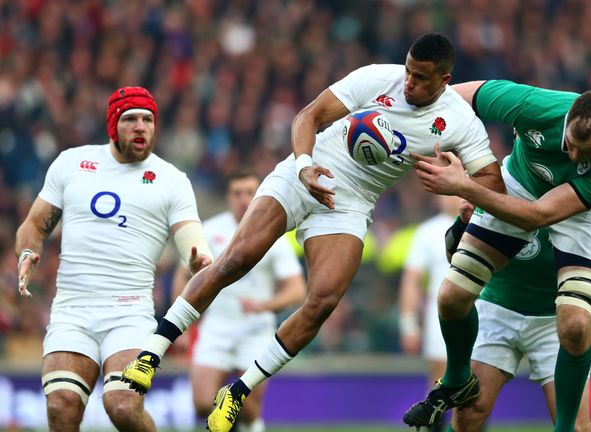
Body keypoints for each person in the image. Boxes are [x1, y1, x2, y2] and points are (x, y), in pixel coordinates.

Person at [121, 33, 505, 432]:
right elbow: (308, 116)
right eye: (408, 71)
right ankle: (151, 352)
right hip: (305, 171)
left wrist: (463, 186)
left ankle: (237, 392)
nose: (409, 83)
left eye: (421, 78)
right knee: (235, 259)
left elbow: (492, 181)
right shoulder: (378, 78)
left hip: (350, 201)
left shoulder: (459, 122)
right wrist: (304, 165)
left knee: (322, 301)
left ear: (445, 80)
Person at [403, 80, 591, 432]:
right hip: (500, 305)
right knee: (451, 298)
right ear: (565, 121)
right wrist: (464, 159)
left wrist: (468, 187)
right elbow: (454, 98)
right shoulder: (535, 107)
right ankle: (456, 378)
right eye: (570, 145)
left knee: (575, 325)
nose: (573, 158)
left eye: (587, 153)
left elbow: (539, 216)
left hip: (549, 319)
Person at [15, 86, 212, 432]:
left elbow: (192, 237)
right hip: (73, 308)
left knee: (121, 405)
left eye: (148, 119)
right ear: (112, 125)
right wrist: (29, 252)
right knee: (62, 406)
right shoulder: (72, 163)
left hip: (130, 312)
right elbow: (33, 225)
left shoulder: (171, 179)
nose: (141, 127)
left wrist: (199, 258)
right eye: (131, 119)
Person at [449, 202, 591, 432]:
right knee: (468, 413)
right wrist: (463, 223)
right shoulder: (507, 183)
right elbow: (453, 258)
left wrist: (587, 241)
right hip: (498, 308)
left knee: (576, 427)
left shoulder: (579, 196)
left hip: (554, 319)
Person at [172, 169, 306, 432]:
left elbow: (297, 289)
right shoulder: (210, 231)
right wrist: (183, 326)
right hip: (217, 327)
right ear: (228, 196)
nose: (244, 199)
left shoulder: (273, 234)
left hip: (255, 330)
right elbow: (183, 277)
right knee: (201, 403)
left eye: (249, 193)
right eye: (237, 193)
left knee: (248, 410)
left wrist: (264, 306)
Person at [399, 195, 463, 432]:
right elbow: (411, 281)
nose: (451, 198)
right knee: (440, 385)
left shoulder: (483, 226)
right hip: (440, 321)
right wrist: (408, 324)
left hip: (482, 316)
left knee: (477, 388)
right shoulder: (426, 232)